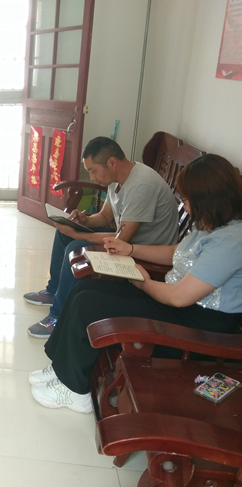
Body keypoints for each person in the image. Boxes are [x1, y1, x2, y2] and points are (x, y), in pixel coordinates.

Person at [29, 154, 242, 413]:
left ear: (209, 200)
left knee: (90, 304)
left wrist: (143, 283)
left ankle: (75, 390)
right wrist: (130, 249)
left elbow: (179, 297)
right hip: (173, 299)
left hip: (197, 322)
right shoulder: (212, 225)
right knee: (84, 289)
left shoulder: (230, 242)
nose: (185, 207)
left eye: (187, 201)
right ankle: (60, 367)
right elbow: (177, 252)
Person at [23, 137, 179, 339]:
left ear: (112, 162)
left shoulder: (141, 185)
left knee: (75, 246)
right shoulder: (118, 179)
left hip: (145, 251)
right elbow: (105, 216)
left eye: (93, 170)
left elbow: (121, 239)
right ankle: (53, 291)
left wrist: (78, 234)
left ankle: (57, 317)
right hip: (127, 241)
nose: (91, 177)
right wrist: (84, 220)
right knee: (64, 233)